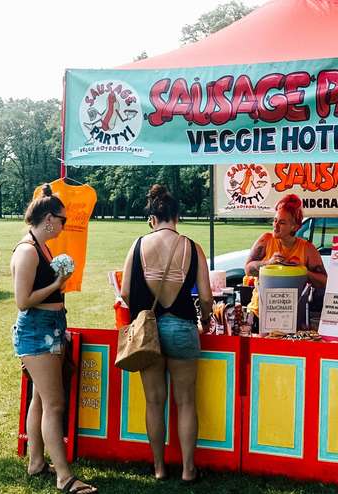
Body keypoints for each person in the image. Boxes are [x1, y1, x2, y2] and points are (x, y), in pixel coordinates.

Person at [121, 184, 212, 483]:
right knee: (186, 401)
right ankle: (188, 469)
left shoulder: (137, 246)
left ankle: (159, 467)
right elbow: (208, 298)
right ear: (177, 216)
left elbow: (125, 292)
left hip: (148, 332)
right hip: (183, 327)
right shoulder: (193, 247)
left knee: (154, 402)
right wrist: (206, 320)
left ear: (152, 217)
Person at [10, 184, 97, 494]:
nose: (64, 224)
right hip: (37, 330)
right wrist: (57, 283)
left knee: (40, 399)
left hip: (50, 326)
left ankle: (36, 462)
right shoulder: (28, 250)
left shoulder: (41, 246)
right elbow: (23, 300)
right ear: (48, 218)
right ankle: (64, 475)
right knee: (55, 403)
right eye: (62, 219)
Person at [245, 193, 327, 289]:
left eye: (282, 222)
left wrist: (303, 271)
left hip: (294, 302)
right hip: (262, 302)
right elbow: (247, 269)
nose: (276, 225)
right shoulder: (266, 239)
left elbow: (324, 282)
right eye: (275, 220)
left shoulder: (307, 248)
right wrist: (268, 263)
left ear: (295, 227)